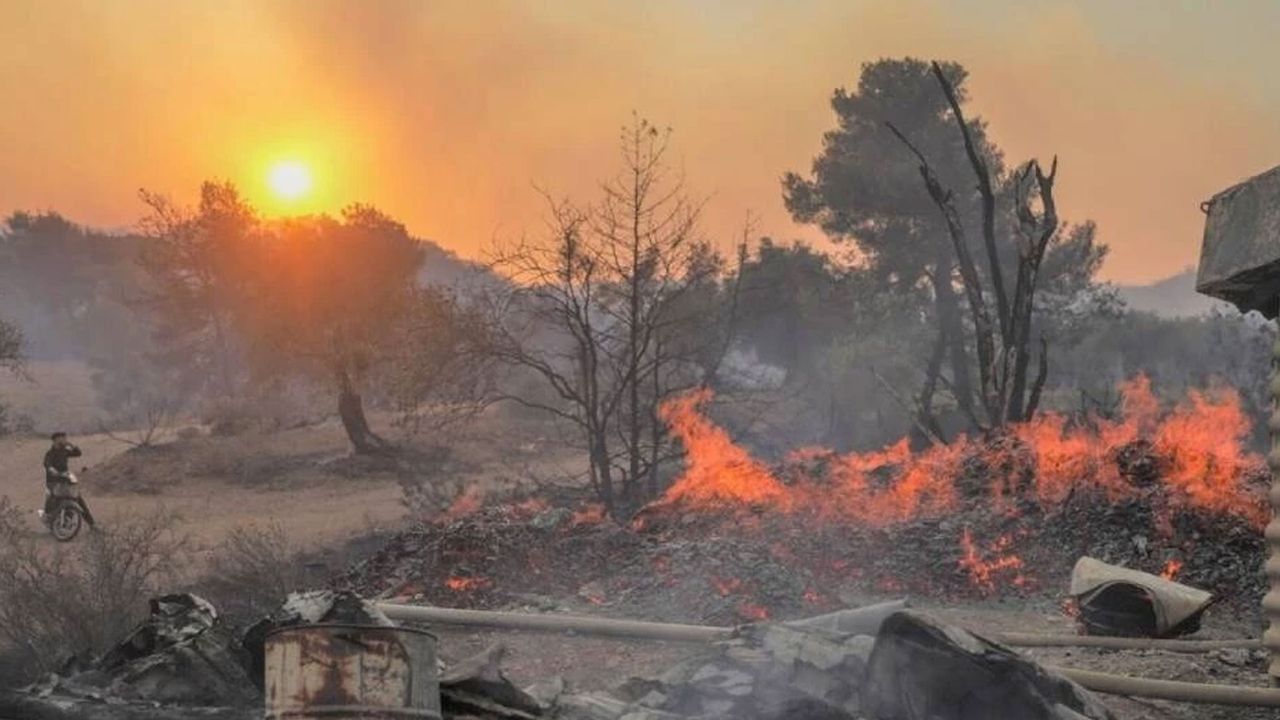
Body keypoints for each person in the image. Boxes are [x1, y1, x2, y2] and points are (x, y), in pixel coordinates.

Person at [42, 431, 95, 527]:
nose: (64, 440)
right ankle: (48, 518)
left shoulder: (65, 451)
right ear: (55, 440)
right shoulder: (50, 453)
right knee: (51, 499)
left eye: (65, 438)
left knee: (78, 499)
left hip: (65, 479)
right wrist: (52, 470)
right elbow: (47, 464)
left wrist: (71, 445)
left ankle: (92, 524)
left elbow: (78, 453)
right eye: (62, 438)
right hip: (53, 481)